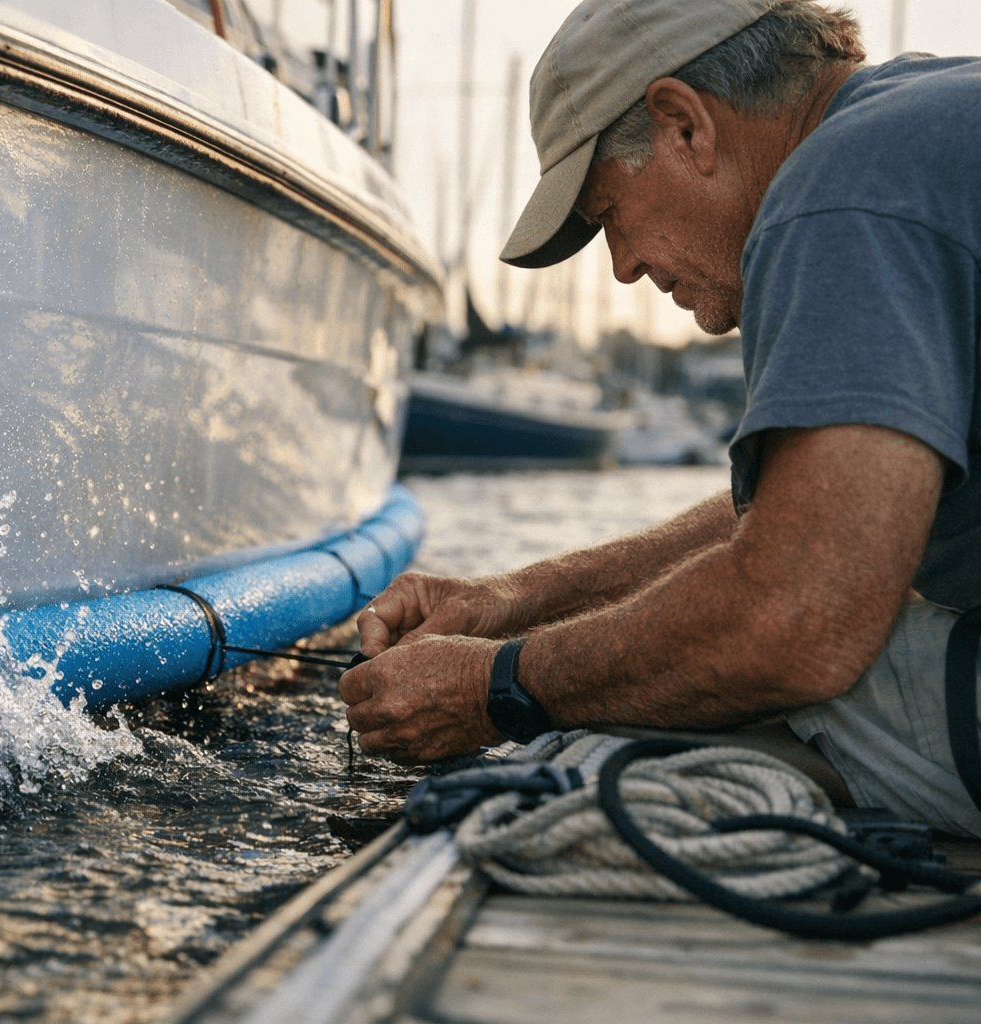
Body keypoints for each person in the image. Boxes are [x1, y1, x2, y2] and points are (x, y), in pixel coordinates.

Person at [339, 0, 981, 838]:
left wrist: (498, 688)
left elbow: (796, 616)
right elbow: (812, 518)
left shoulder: (837, 195)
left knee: (662, 694)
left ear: (684, 126)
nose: (624, 266)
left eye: (609, 215)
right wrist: (516, 599)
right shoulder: (921, 127)